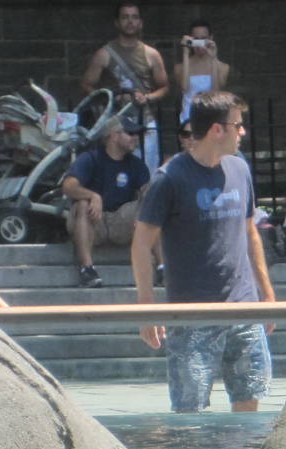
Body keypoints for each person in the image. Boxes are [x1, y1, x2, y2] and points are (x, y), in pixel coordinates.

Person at [133, 90, 276, 413]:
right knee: (190, 412)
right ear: (216, 129)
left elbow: (249, 231)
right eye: (237, 125)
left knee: (250, 401)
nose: (243, 132)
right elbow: (141, 243)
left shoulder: (240, 169)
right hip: (192, 312)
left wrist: (266, 295)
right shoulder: (170, 178)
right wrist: (147, 308)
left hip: (243, 308)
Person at [62, 112, 152, 288]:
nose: (135, 138)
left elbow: (147, 192)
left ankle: (162, 268)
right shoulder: (90, 158)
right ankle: (87, 269)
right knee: (82, 204)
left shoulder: (136, 163)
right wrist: (93, 195)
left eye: (136, 134)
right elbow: (68, 186)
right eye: (130, 133)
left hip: (121, 222)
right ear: (113, 135)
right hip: (96, 222)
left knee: (152, 200)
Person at [80, 2, 169, 167]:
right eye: (125, 17)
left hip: (145, 122)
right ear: (117, 22)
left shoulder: (152, 54)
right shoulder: (104, 54)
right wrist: (110, 98)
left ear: (140, 22)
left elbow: (164, 87)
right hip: (116, 124)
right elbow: (87, 85)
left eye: (134, 17)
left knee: (147, 174)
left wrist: (147, 97)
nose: (130, 21)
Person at [172, 18, 230, 124]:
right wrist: (185, 52)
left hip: (212, 120)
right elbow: (185, 87)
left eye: (203, 39)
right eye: (196, 39)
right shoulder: (180, 67)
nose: (199, 43)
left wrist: (213, 58)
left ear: (211, 38)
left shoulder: (223, 67)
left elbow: (216, 91)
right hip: (188, 120)